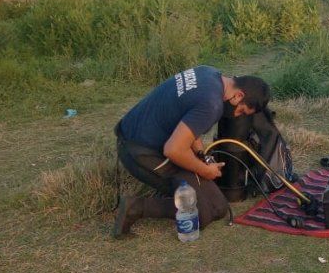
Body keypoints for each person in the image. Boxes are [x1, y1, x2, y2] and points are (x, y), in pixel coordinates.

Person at [113, 65, 270, 237]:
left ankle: (170, 192)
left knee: (218, 205)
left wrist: (202, 156)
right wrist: (204, 170)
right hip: (141, 153)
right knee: (207, 211)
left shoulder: (208, 73)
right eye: (241, 110)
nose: (236, 115)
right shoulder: (212, 104)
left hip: (132, 135)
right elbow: (173, 150)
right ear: (239, 95)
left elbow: (190, 122)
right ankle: (135, 207)